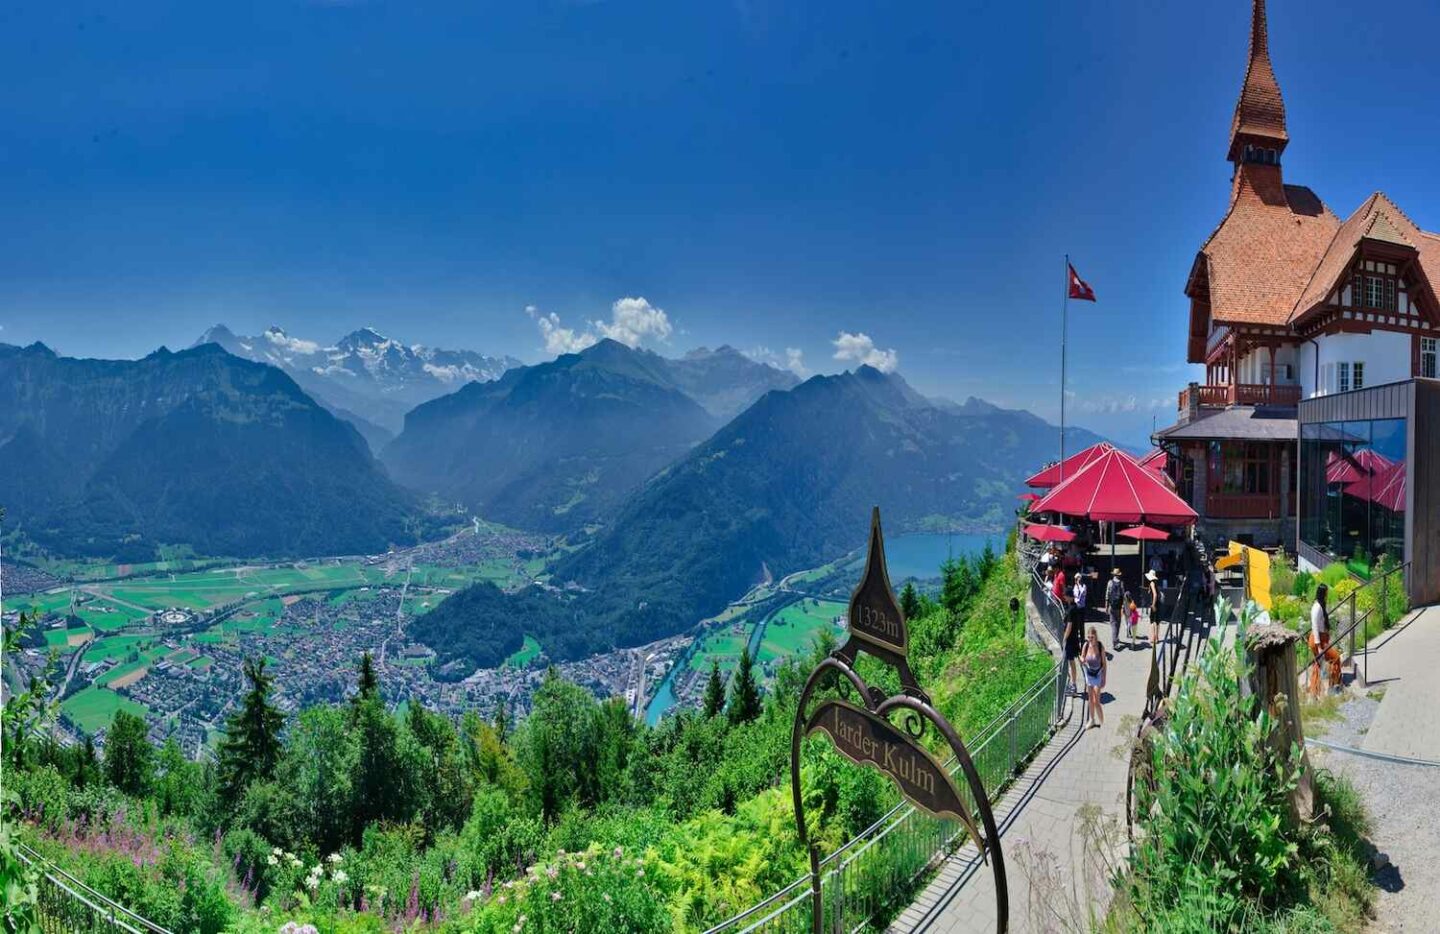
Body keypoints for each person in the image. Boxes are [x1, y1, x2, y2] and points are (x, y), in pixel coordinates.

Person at [1309, 583, 1343, 695]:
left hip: (1320, 639)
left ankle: (1315, 691)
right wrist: (1319, 646)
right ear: (1323, 594)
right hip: (1318, 640)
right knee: (1336, 658)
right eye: (1326, 593)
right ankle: (1334, 686)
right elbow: (1315, 626)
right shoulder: (1317, 607)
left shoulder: (1319, 605)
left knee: (1317, 664)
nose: (1327, 595)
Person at [1080, 628, 1107, 728]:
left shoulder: (1100, 646)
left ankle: (1102, 722)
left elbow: (1104, 663)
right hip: (1089, 674)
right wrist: (1082, 659)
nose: (1090, 639)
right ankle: (1092, 720)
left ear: (1095, 636)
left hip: (1098, 674)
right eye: (1089, 637)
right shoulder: (1086, 645)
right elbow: (1082, 656)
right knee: (1090, 699)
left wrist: (1104, 678)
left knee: (1096, 701)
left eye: (1092, 637)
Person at [1063, 601, 1084, 697]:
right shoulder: (1075, 607)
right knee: (1072, 662)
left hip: (1070, 640)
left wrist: (1064, 638)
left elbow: (1069, 625)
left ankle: (1073, 686)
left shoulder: (1071, 609)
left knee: (1071, 662)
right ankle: (1073, 685)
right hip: (1074, 638)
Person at [1105, 567, 1125, 649]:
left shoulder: (1110, 582)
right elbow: (1123, 596)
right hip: (1119, 606)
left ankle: (1115, 640)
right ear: (1119, 575)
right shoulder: (1121, 583)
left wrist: (1106, 606)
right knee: (1118, 623)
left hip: (1112, 606)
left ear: (1113, 574)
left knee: (1113, 623)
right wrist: (1123, 606)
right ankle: (1116, 639)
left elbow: (1107, 594)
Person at [1145, 569, 1162, 648]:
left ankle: (1153, 638)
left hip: (1154, 603)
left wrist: (1153, 605)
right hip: (1158, 603)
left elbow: (1154, 594)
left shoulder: (1152, 583)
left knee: (1152, 621)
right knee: (1157, 621)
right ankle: (1157, 638)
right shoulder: (1156, 582)